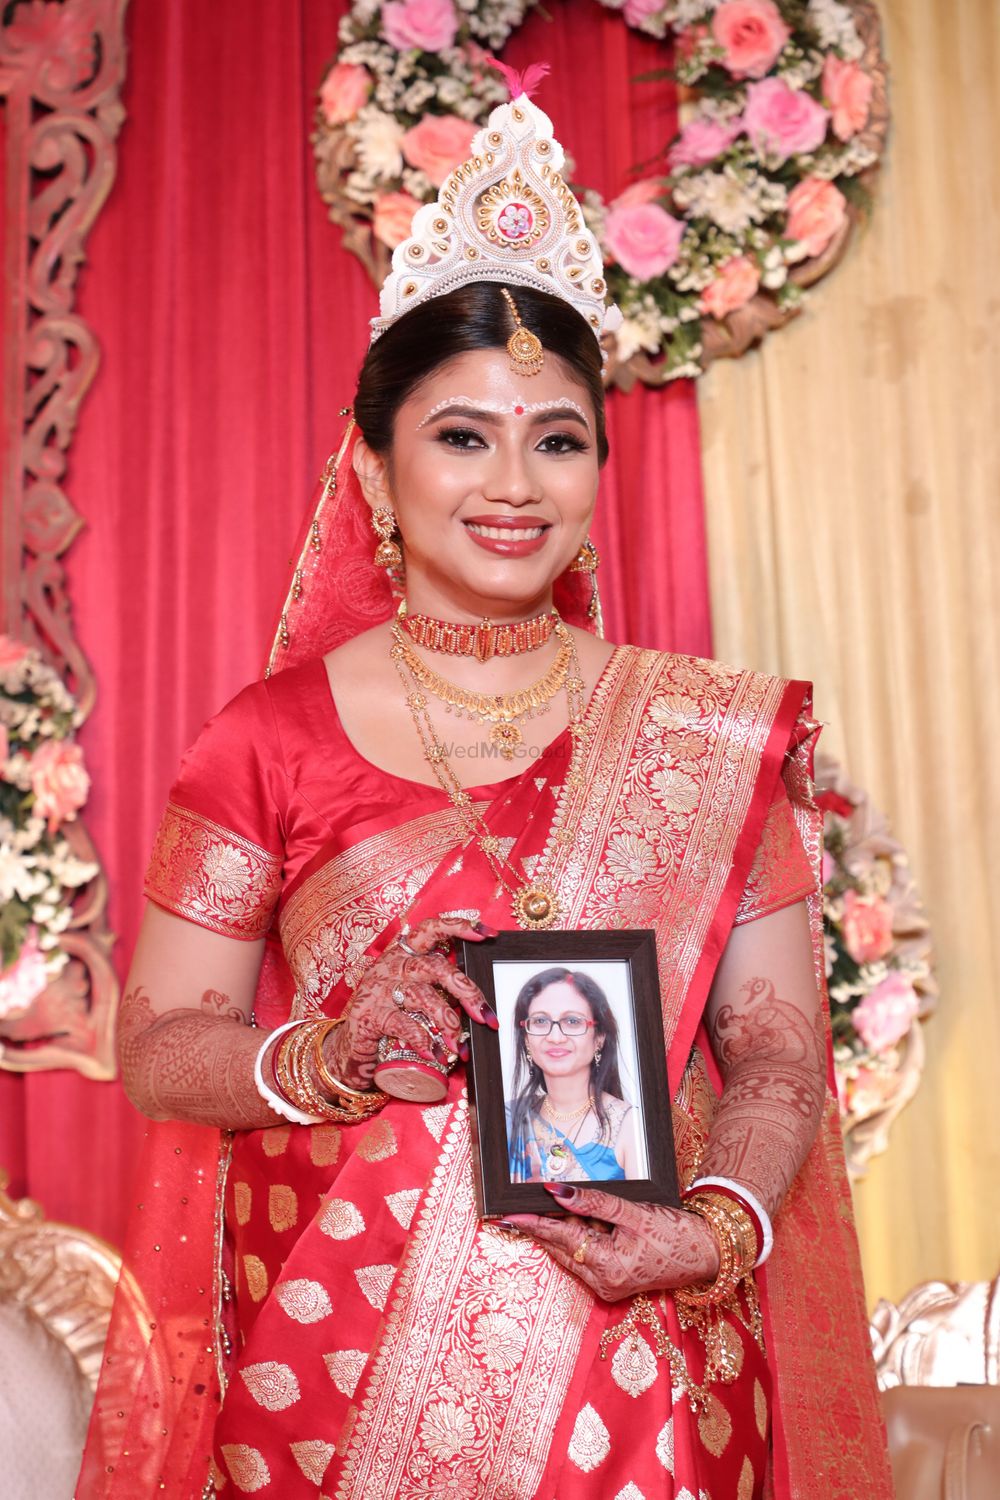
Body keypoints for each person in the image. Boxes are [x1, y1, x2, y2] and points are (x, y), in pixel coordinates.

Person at [79, 72, 893, 1500]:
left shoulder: (698, 738)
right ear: (379, 478)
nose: (515, 480)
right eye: (463, 434)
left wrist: (717, 1224)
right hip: (326, 1366)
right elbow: (160, 1045)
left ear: (593, 467)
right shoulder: (262, 737)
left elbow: (777, 1048)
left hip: (642, 1366)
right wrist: (321, 1050)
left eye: (557, 436)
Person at [506, 968, 640, 1182]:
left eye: (573, 1021)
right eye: (540, 1021)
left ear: (600, 1037)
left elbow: (646, 1214)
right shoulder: (508, 1120)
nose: (555, 1037)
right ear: (525, 1039)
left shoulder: (629, 1126)